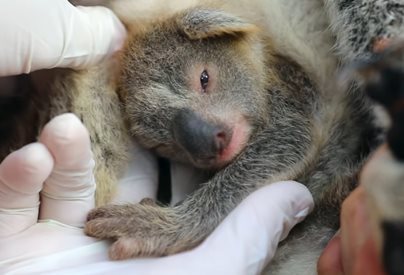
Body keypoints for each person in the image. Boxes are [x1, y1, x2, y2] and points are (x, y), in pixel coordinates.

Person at [0, 1, 314, 274]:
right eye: (163, 143)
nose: (202, 143)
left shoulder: (263, 65)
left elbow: (294, 131)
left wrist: (186, 221)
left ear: (221, 29)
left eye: (204, 81)